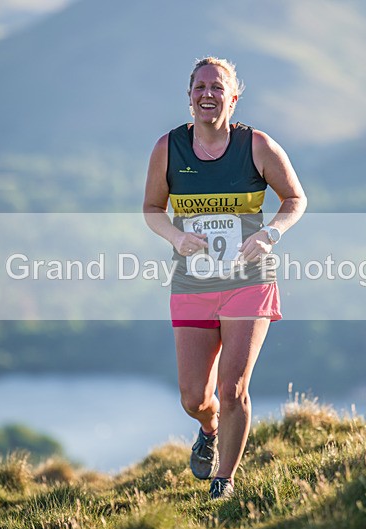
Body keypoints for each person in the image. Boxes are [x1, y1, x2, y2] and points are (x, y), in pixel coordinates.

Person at [143, 57, 306, 498]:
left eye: (218, 87)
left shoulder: (257, 146)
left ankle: (224, 481)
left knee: (232, 388)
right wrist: (176, 238)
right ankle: (209, 429)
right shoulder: (169, 148)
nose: (207, 94)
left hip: (248, 280)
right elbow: (152, 210)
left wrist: (270, 234)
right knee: (194, 398)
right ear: (189, 95)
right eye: (200, 87)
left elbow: (295, 198)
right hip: (193, 282)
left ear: (234, 97)